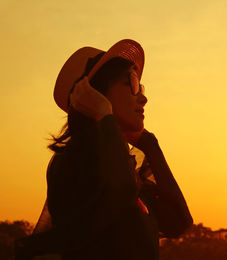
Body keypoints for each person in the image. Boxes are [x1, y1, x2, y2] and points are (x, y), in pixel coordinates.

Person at [14, 39, 193, 259]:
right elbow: (117, 193)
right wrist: (105, 119)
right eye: (133, 83)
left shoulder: (129, 170)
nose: (143, 97)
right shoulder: (74, 163)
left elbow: (179, 222)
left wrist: (150, 144)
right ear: (96, 93)